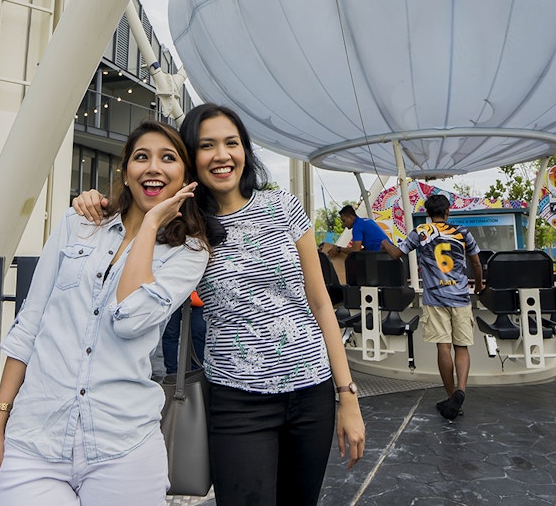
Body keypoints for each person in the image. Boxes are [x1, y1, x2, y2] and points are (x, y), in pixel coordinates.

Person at [74, 103, 366, 506]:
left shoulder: (283, 206)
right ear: (192, 157)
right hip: (237, 400)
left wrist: (346, 395)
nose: (222, 155)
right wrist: (94, 201)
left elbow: (318, 303)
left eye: (232, 143)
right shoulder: (184, 227)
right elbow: (130, 237)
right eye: (207, 146)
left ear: (245, 150)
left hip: (311, 393)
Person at [0, 121, 210, 505]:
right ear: (125, 171)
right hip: (36, 439)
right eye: (141, 157)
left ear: (185, 176)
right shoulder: (77, 223)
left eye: (168, 158)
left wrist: (149, 225)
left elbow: (128, 316)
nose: (153, 167)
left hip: (123, 445)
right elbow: (29, 325)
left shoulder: (189, 252)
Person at [379, 194, 482, 420]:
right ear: (447, 212)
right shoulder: (463, 233)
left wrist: (385, 242)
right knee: (462, 347)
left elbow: (397, 253)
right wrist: (480, 284)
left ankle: (451, 395)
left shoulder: (421, 232)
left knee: (443, 348)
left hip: (435, 299)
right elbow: (475, 262)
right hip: (460, 298)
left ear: (428, 213)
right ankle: (461, 391)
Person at [161, 290, 206, 375]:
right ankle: (172, 374)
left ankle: (196, 373)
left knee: (198, 333)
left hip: (196, 293)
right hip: (173, 293)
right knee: (170, 334)